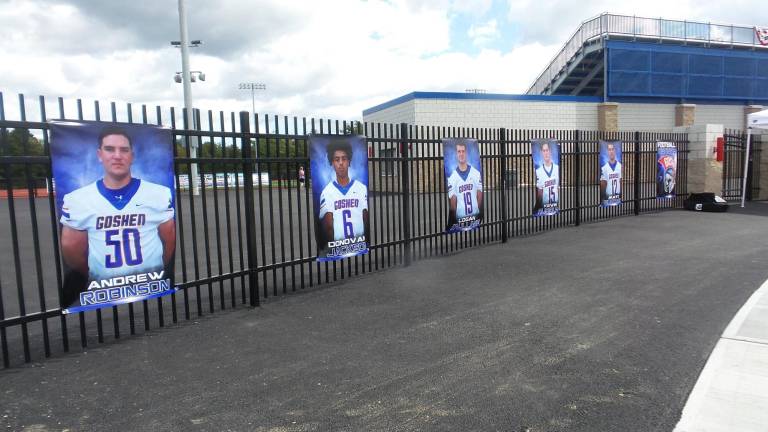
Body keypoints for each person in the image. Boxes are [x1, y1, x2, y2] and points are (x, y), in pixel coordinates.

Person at [59, 127, 176, 285]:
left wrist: (155, 268)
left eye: (124, 150)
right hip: (105, 285)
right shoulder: (77, 199)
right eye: (109, 149)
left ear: (132, 156)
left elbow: (169, 240)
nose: (117, 156)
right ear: (99, 155)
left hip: (150, 282)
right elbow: (72, 249)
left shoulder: (159, 194)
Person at [318, 139, 368, 245]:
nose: (341, 163)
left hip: (345, 246)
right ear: (332, 163)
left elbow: (366, 220)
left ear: (349, 161)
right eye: (337, 159)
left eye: (344, 159)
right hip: (356, 244)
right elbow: (328, 227)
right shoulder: (326, 192)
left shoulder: (361, 188)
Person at [446, 140, 483, 229]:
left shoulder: (476, 173)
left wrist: (474, 213)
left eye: (463, 151)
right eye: (459, 151)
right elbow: (453, 204)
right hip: (460, 218)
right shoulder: (452, 178)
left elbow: (480, 195)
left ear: (466, 153)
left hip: (475, 217)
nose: (461, 154)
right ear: (456, 154)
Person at [534, 141, 559, 214]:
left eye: (547, 150)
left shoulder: (557, 168)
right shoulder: (539, 171)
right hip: (544, 207)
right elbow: (539, 193)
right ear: (541, 153)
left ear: (550, 151)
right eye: (544, 151)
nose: (546, 153)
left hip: (554, 206)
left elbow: (557, 187)